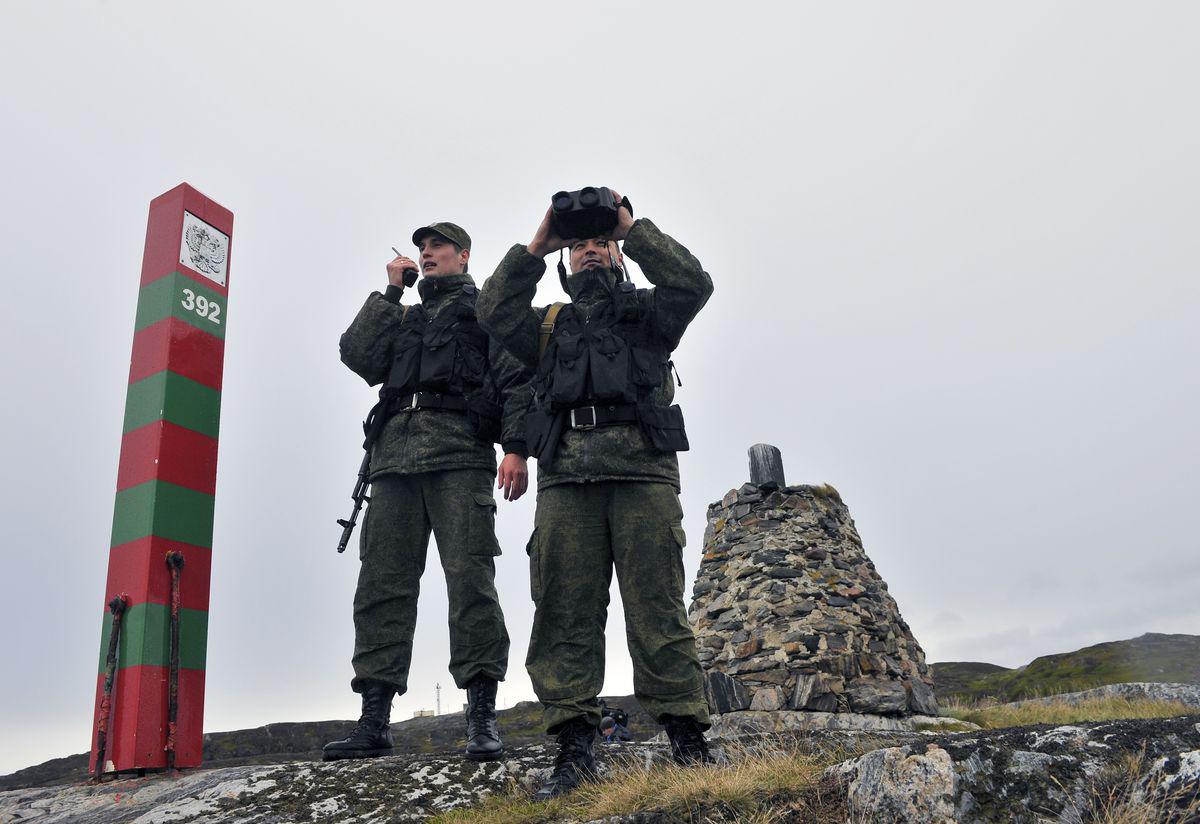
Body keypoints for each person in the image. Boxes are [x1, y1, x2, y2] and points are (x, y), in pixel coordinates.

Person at [477, 192, 715, 799]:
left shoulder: (648, 314)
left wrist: (632, 229)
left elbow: (693, 283)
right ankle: (574, 749)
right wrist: (537, 244)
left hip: (643, 478)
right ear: (566, 257)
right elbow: (492, 310)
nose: (589, 251)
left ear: (618, 256)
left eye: (599, 244)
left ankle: (688, 740)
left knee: (656, 608)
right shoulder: (548, 326)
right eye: (579, 244)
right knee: (563, 614)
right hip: (566, 482)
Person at [325, 222, 531, 763]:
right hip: (392, 466)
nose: (427, 253)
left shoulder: (486, 311)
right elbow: (357, 355)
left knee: (471, 583)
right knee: (381, 588)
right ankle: (374, 720)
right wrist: (391, 292)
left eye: (437, 246)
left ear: (463, 255)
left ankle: (481, 718)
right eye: (422, 248)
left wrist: (516, 447)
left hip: (460, 458)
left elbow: (514, 380)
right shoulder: (405, 316)